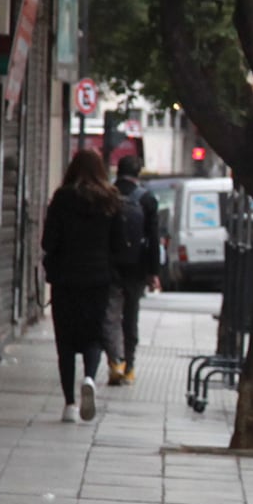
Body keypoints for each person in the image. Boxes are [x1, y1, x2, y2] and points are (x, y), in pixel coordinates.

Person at [43, 147, 125, 420]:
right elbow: (119, 244)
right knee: (93, 335)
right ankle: (89, 377)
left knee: (65, 341)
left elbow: (48, 242)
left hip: (66, 279)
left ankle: (69, 405)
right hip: (98, 279)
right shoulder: (111, 200)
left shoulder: (62, 198)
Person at [107, 152, 162, 387]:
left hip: (108, 266)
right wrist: (153, 273)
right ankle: (129, 366)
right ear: (138, 174)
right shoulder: (147, 199)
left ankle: (114, 362)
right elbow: (153, 238)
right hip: (136, 268)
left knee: (109, 316)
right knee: (131, 317)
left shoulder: (107, 195)